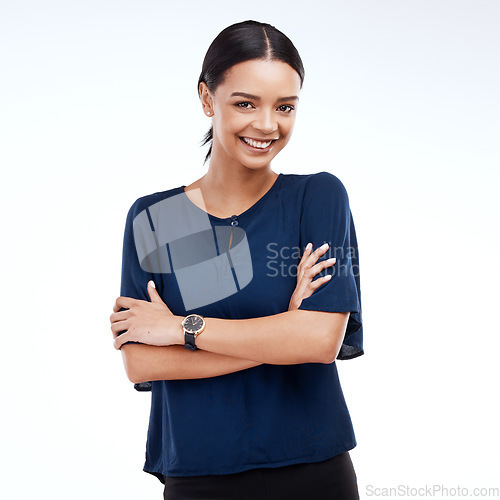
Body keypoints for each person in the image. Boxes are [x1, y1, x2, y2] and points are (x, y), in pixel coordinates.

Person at [110, 19, 363, 500]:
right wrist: (282, 331)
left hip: (314, 470)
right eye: (245, 103)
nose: (267, 125)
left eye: (284, 107)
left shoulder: (317, 197)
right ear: (207, 98)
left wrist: (183, 330)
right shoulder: (159, 218)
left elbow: (318, 341)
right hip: (201, 474)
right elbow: (142, 362)